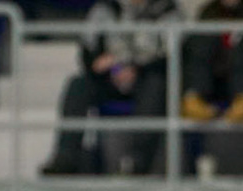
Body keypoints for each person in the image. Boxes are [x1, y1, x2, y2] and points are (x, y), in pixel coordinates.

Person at [41, 0, 178, 176]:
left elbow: (173, 55)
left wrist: (137, 69)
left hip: (147, 78)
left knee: (157, 85)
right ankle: (65, 158)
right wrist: (113, 68)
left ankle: (139, 163)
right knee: (78, 84)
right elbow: (88, 53)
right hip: (110, 77)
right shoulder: (103, 10)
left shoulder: (168, 11)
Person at [181, 0, 243, 127]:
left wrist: (234, 46)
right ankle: (194, 97)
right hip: (214, 75)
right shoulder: (209, 10)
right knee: (202, 42)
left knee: (240, 50)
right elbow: (197, 46)